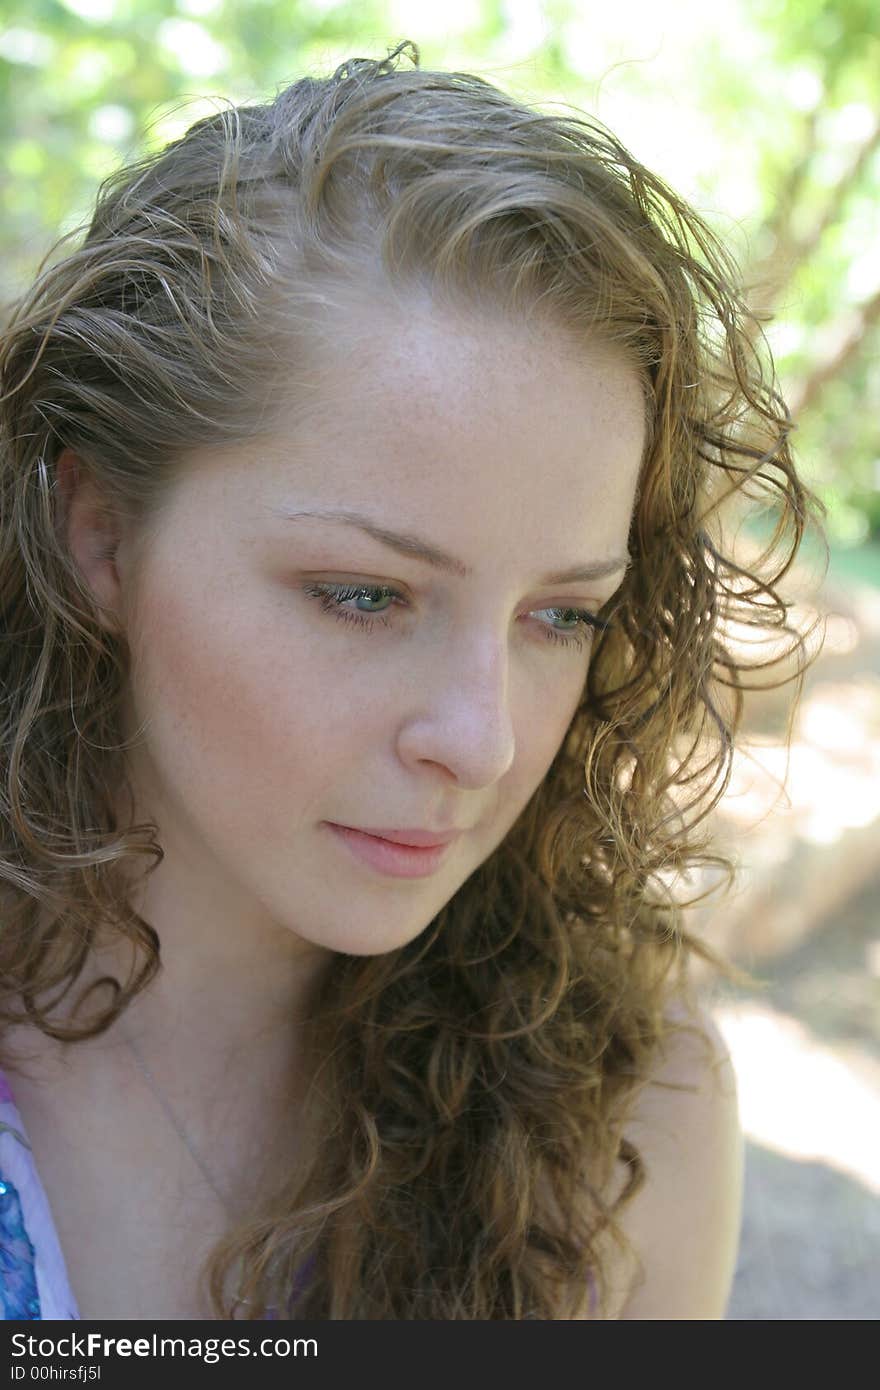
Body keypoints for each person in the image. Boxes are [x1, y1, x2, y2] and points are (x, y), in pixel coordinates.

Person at [0, 39, 824, 1321]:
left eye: (560, 615)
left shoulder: (623, 1122)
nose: (483, 739)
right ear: (100, 534)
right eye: (365, 596)